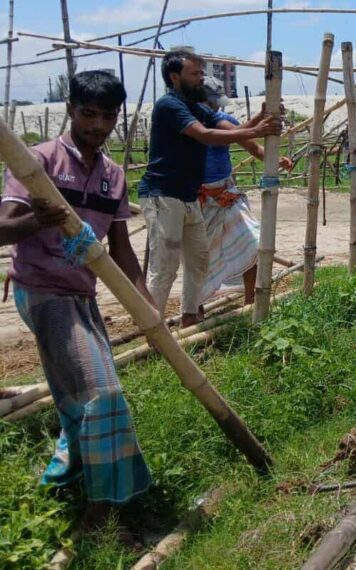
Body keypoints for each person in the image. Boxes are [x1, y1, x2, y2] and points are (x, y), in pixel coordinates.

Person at [0, 71, 153, 541]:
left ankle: (64, 479)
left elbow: (122, 246)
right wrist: (34, 220)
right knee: (103, 394)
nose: (98, 124)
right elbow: (3, 226)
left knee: (79, 394)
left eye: (108, 116)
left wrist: (144, 299)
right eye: (89, 114)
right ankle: (100, 515)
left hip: (83, 294)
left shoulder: (113, 175)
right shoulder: (39, 161)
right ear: (71, 109)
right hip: (43, 291)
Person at [138, 49, 280, 327]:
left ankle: (190, 320)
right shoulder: (169, 105)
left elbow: (226, 129)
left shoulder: (196, 106)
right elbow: (205, 136)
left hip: (189, 196)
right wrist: (256, 131)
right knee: (165, 267)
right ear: (174, 76)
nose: (201, 79)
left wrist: (259, 119)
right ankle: (153, 331)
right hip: (163, 195)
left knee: (199, 261)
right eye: (195, 74)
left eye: (202, 73)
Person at [196, 77, 293, 306]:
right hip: (199, 199)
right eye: (211, 102)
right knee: (199, 259)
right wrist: (260, 119)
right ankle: (195, 308)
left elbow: (252, 145)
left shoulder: (222, 119)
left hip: (226, 196)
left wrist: (276, 160)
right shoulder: (191, 124)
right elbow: (238, 132)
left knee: (253, 245)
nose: (215, 107)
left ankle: (251, 302)